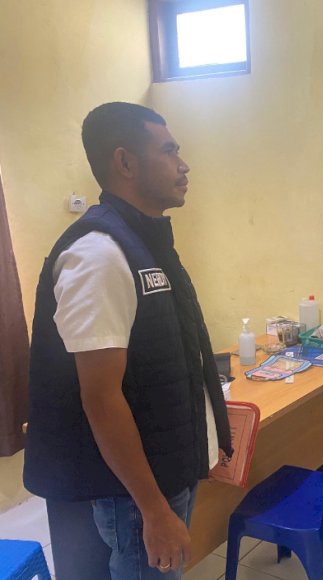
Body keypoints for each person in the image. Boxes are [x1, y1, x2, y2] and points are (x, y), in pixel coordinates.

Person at [23, 102, 232, 580]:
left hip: (165, 469)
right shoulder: (98, 254)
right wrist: (154, 510)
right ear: (125, 162)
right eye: (170, 151)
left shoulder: (146, 243)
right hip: (135, 493)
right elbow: (100, 398)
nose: (184, 165)